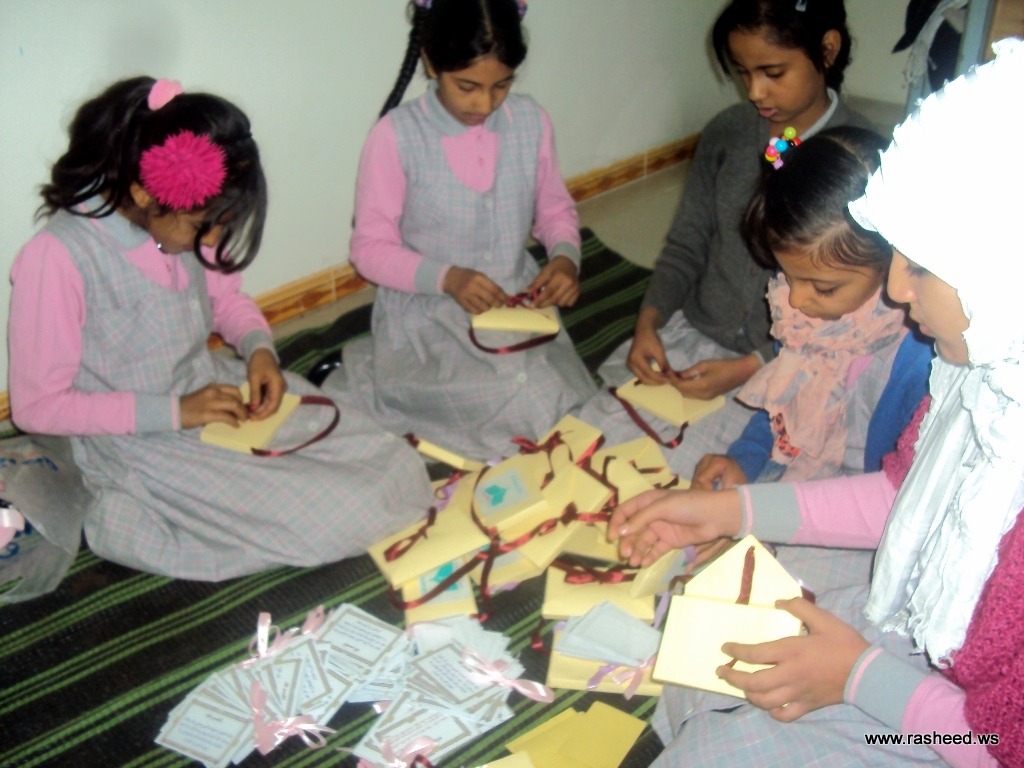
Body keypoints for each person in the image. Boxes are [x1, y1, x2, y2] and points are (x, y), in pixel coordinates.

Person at [609, 39, 1024, 767]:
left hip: (961, 731)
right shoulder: (981, 379)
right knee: (718, 659)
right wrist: (731, 511)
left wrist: (859, 677)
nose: (896, 290)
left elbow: (996, 742)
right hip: (922, 668)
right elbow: (900, 495)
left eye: (922, 268)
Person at [8, 77, 432, 581]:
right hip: (137, 440)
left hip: (209, 393)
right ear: (145, 192)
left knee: (392, 465)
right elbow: (37, 407)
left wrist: (258, 349)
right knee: (345, 510)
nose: (210, 241)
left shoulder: (176, 213)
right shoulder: (57, 258)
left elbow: (226, 298)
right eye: (200, 226)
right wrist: (176, 412)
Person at [579, 0, 876, 480]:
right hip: (695, 334)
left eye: (773, 72)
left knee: (697, 481)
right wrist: (649, 322)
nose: (755, 91)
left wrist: (753, 365)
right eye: (743, 72)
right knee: (590, 446)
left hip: (797, 363)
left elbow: (860, 313)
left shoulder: (859, 160)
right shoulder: (728, 133)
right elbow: (686, 243)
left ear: (827, 49)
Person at [321, 0, 595, 460]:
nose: (484, 104)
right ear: (431, 63)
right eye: (467, 86)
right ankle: (376, 371)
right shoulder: (396, 136)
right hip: (431, 309)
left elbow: (554, 208)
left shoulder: (531, 121)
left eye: (502, 85)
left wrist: (566, 257)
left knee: (558, 400)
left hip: (516, 300)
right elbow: (368, 249)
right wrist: (448, 278)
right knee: (521, 409)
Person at [692, 127, 932, 490]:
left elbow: (896, 489)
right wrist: (746, 456)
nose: (796, 301)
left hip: (869, 496)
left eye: (823, 288)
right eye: (788, 275)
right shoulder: (802, 314)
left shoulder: (918, 358)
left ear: (891, 261)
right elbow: (784, 398)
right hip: (795, 467)